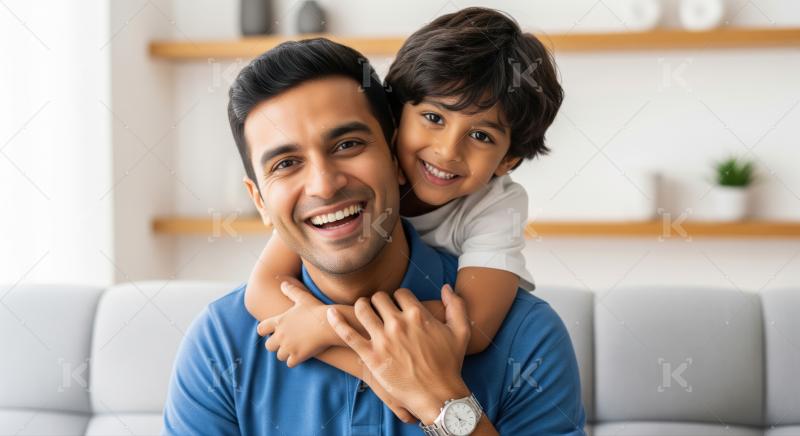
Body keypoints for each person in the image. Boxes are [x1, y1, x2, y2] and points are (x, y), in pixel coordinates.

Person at [162, 36, 584, 435]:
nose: (324, 186)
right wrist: (376, 367)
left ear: (396, 155)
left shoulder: (526, 338)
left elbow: (470, 325)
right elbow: (263, 288)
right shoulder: (221, 344)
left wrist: (443, 400)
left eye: (347, 145)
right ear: (260, 202)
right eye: (286, 164)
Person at [244, 7, 564, 387]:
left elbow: (474, 326)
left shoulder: (494, 206)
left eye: (481, 136)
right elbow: (262, 290)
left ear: (508, 160)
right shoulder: (354, 177)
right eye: (433, 118)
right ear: (394, 119)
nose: (447, 151)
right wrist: (378, 376)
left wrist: (329, 326)